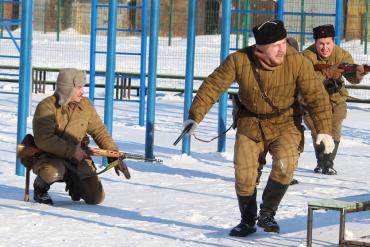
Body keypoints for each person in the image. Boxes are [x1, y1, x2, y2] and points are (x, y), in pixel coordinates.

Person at [181, 20, 334, 236]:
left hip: (285, 122)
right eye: (276, 45)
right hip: (250, 123)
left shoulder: (298, 61)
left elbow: (317, 97)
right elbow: (213, 85)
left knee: (285, 164)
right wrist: (194, 117)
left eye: (283, 42)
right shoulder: (239, 60)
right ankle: (247, 220)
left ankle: (268, 213)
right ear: (260, 48)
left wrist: (324, 129)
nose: (283, 48)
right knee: (244, 176)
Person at [31, 68, 129, 205]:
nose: (82, 91)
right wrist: (72, 151)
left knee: (95, 198)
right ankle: (40, 187)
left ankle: (75, 180)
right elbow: (44, 139)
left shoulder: (86, 105)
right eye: (78, 87)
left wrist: (113, 154)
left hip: (78, 158)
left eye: (83, 87)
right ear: (67, 88)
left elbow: (99, 131)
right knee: (52, 171)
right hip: (51, 156)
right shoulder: (46, 107)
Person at [302, 24, 369, 175]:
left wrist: (360, 72)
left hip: (336, 98)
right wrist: (328, 73)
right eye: (321, 44)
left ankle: (327, 163)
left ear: (333, 41)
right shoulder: (307, 56)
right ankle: (321, 161)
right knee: (316, 129)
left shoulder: (342, 55)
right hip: (312, 100)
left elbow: (353, 78)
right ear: (315, 43)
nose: (325, 48)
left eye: (328, 44)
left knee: (335, 126)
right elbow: (305, 80)